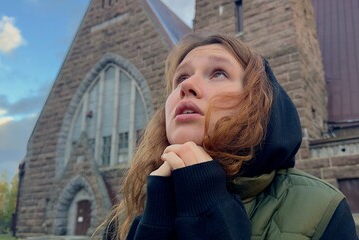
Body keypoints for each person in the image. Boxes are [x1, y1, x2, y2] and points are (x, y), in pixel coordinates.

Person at [99, 33, 358, 239]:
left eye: (218, 73)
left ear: (256, 102)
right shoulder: (127, 214)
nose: (186, 86)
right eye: (181, 78)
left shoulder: (322, 209)